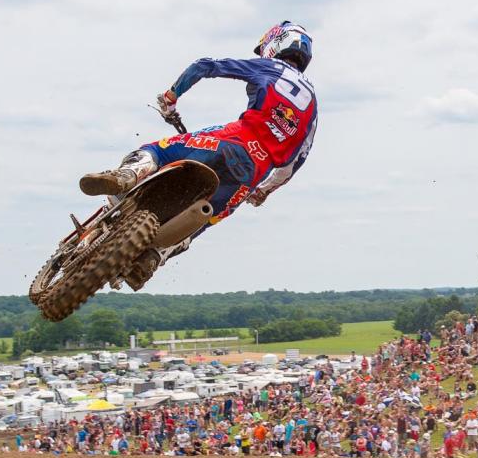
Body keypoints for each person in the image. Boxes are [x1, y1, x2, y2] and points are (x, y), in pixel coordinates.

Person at [79, 21, 318, 282]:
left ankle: (125, 176)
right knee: (205, 221)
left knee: (158, 151)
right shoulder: (313, 108)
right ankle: (154, 258)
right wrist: (264, 191)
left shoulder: (271, 67)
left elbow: (204, 66)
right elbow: (295, 163)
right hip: (252, 175)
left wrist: (171, 96)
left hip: (232, 140)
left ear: (276, 42)